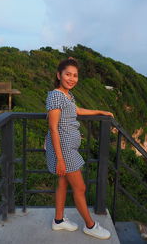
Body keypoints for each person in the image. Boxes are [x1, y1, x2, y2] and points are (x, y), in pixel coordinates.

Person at [45, 57, 114, 240]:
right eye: (68, 74)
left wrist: (100, 111)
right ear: (58, 75)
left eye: (75, 75)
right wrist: (60, 158)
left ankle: (58, 221)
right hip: (64, 150)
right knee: (80, 188)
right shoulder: (56, 95)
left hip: (68, 148)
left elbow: (76, 111)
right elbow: (53, 128)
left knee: (62, 183)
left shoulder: (67, 95)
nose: (72, 78)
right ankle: (90, 226)